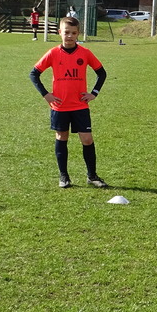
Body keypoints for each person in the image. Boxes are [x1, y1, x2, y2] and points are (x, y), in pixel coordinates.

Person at [29, 16, 109, 189]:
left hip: (80, 105)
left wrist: (94, 93)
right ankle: (64, 176)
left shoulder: (85, 53)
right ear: (60, 33)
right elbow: (34, 74)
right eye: (66, 32)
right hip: (60, 106)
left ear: (78, 33)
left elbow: (101, 73)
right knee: (61, 137)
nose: (70, 36)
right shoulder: (53, 53)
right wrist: (46, 94)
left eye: (73, 33)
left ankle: (92, 176)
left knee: (87, 139)